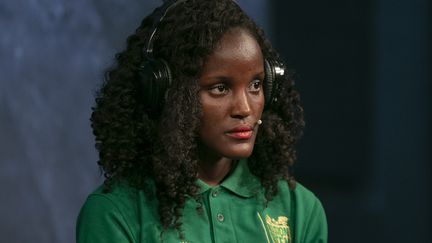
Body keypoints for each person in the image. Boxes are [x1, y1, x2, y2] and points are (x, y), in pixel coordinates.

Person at [76, 0, 327, 242]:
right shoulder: (114, 213)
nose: (245, 108)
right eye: (220, 88)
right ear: (167, 93)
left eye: (255, 85)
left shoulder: (299, 210)